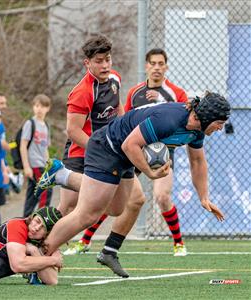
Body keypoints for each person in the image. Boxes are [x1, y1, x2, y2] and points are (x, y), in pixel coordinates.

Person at [35, 93, 230, 277]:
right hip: (108, 147)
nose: (220, 128)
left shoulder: (197, 131)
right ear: (205, 116)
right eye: (219, 123)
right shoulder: (170, 119)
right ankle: (39, 256)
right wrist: (150, 172)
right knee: (88, 214)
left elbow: (197, 162)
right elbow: (130, 145)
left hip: (125, 156)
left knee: (119, 206)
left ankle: (63, 176)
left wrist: (204, 197)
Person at [66, 48, 189, 259]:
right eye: (153, 63)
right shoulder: (135, 92)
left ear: (166, 67)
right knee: (111, 197)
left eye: (161, 64)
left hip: (162, 155)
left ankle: (178, 243)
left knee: (161, 196)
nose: (157, 68)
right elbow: (125, 119)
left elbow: (181, 118)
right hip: (132, 152)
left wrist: (161, 100)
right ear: (146, 66)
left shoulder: (176, 94)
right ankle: (85, 241)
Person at [54, 35, 124, 255]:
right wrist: (100, 149)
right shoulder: (83, 92)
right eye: (99, 61)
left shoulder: (114, 80)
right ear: (87, 63)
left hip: (106, 154)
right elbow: (73, 131)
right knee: (67, 207)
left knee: (123, 203)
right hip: (80, 154)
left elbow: (118, 109)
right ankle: (40, 247)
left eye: (108, 59)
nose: (105, 65)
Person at [21, 94, 53, 217]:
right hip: (34, 164)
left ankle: (24, 221)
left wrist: (49, 165)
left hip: (43, 164)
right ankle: (42, 219)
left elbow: (45, 148)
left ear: (48, 108)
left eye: (43, 106)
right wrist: (26, 167)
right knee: (46, 190)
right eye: (36, 106)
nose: (39, 109)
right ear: (33, 107)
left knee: (33, 195)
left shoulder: (46, 126)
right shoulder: (30, 123)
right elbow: (23, 145)